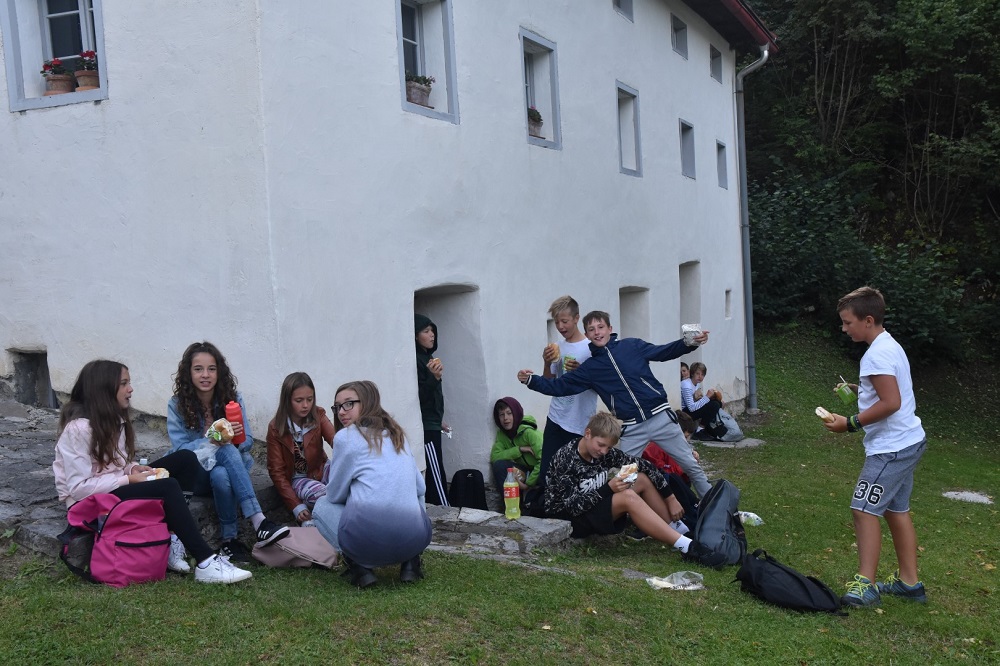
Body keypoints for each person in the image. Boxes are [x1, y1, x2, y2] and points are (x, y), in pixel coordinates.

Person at [53, 360, 252, 584]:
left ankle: (173, 539)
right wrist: (129, 479)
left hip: (112, 489)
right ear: (104, 389)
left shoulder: (113, 419)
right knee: (167, 486)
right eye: (124, 384)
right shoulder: (78, 429)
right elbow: (79, 489)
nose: (131, 389)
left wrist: (133, 468)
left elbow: (115, 463)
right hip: (89, 505)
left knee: (186, 458)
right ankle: (205, 561)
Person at [518, 310, 713, 497]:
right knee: (626, 478)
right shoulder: (590, 368)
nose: (597, 332)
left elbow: (663, 352)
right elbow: (560, 386)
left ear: (610, 329)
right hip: (633, 428)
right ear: (587, 335)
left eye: (600, 327)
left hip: (661, 418)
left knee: (690, 465)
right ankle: (628, 512)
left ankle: (715, 505)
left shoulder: (631, 346)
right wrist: (531, 380)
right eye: (591, 329)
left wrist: (689, 343)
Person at [823, 286, 928, 607]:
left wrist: (850, 423)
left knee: (863, 509)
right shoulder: (888, 344)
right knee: (896, 510)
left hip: (891, 448)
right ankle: (909, 583)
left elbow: (891, 402)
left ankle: (865, 585)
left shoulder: (876, 355)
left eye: (848, 322)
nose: (844, 329)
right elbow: (888, 391)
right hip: (910, 440)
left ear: (868, 320)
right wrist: (861, 389)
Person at [167, 341, 289, 564]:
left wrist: (236, 438)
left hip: (228, 471)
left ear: (219, 372)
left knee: (221, 473)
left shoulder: (233, 399)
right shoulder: (177, 405)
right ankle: (259, 521)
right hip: (196, 475)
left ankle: (229, 542)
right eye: (198, 369)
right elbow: (180, 450)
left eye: (211, 369)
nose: (205, 375)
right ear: (188, 373)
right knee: (222, 448)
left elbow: (248, 442)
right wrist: (211, 441)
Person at [312, 380, 432, 588]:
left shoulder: (345, 438)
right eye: (337, 406)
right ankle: (411, 562)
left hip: (368, 543)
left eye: (349, 403)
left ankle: (359, 568)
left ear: (367, 403)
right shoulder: (397, 434)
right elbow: (420, 488)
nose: (341, 412)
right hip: (414, 539)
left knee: (321, 505)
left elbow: (334, 495)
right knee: (416, 494)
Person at [544, 412, 708, 558]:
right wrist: (608, 488)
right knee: (627, 497)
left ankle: (682, 532)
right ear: (588, 434)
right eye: (601, 444)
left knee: (641, 478)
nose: (603, 451)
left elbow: (646, 466)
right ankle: (687, 547)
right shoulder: (566, 458)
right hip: (569, 517)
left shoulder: (604, 454)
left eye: (609, 447)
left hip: (593, 504)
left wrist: (670, 498)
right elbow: (573, 507)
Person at [537, 295, 599, 498]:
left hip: (579, 421)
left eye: (564, 321)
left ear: (576, 318)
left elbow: (598, 384)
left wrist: (581, 372)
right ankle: (545, 509)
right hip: (556, 417)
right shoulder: (558, 347)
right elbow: (549, 382)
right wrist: (547, 363)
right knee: (547, 470)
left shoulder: (590, 349)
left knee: (574, 472)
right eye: (556, 322)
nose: (560, 326)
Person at [266, 372, 335, 525]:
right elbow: (276, 471)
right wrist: (295, 505)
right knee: (323, 494)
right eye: (299, 400)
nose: (305, 405)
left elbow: (337, 442)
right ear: (287, 401)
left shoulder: (318, 414)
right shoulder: (275, 428)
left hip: (321, 469)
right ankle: (328, 522)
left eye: (310, 399)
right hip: (298, 479)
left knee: (349, 481)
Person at [415, 314, 449, 506]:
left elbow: (433, 398)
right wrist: (433, 378)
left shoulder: (428, 357)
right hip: (426, 426)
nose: (432, 335)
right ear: (415, 335)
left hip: (433, 422)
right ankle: (445, 510)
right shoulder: (417, 359)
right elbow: (419, 395)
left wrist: (439, 419)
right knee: (435, 470)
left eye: (432, 331)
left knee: (436, 466)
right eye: (426, 331)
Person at [488, 397, 543, 495]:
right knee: (499, 466)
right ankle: (511, 502)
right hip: (525, 472)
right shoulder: (502, 434)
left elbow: (544, 460)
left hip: (540, 472)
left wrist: (528, 484)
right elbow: (494, 457)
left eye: (509, 413)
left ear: (516, 413)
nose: (505, 418)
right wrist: (519, 450)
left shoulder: (529, 432)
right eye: (501, 414)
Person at [680, 362, 725, 440]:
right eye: (698, 374)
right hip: (684, 414)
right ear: (692, 373)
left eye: (702, 375)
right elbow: (691, 408)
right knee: (714, 405)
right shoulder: (687, 385)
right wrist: (707, 397)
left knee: (717, 403)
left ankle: (709, 429)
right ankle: (699, 431)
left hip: (691, 409)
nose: (700, 377)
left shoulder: (696, 384)